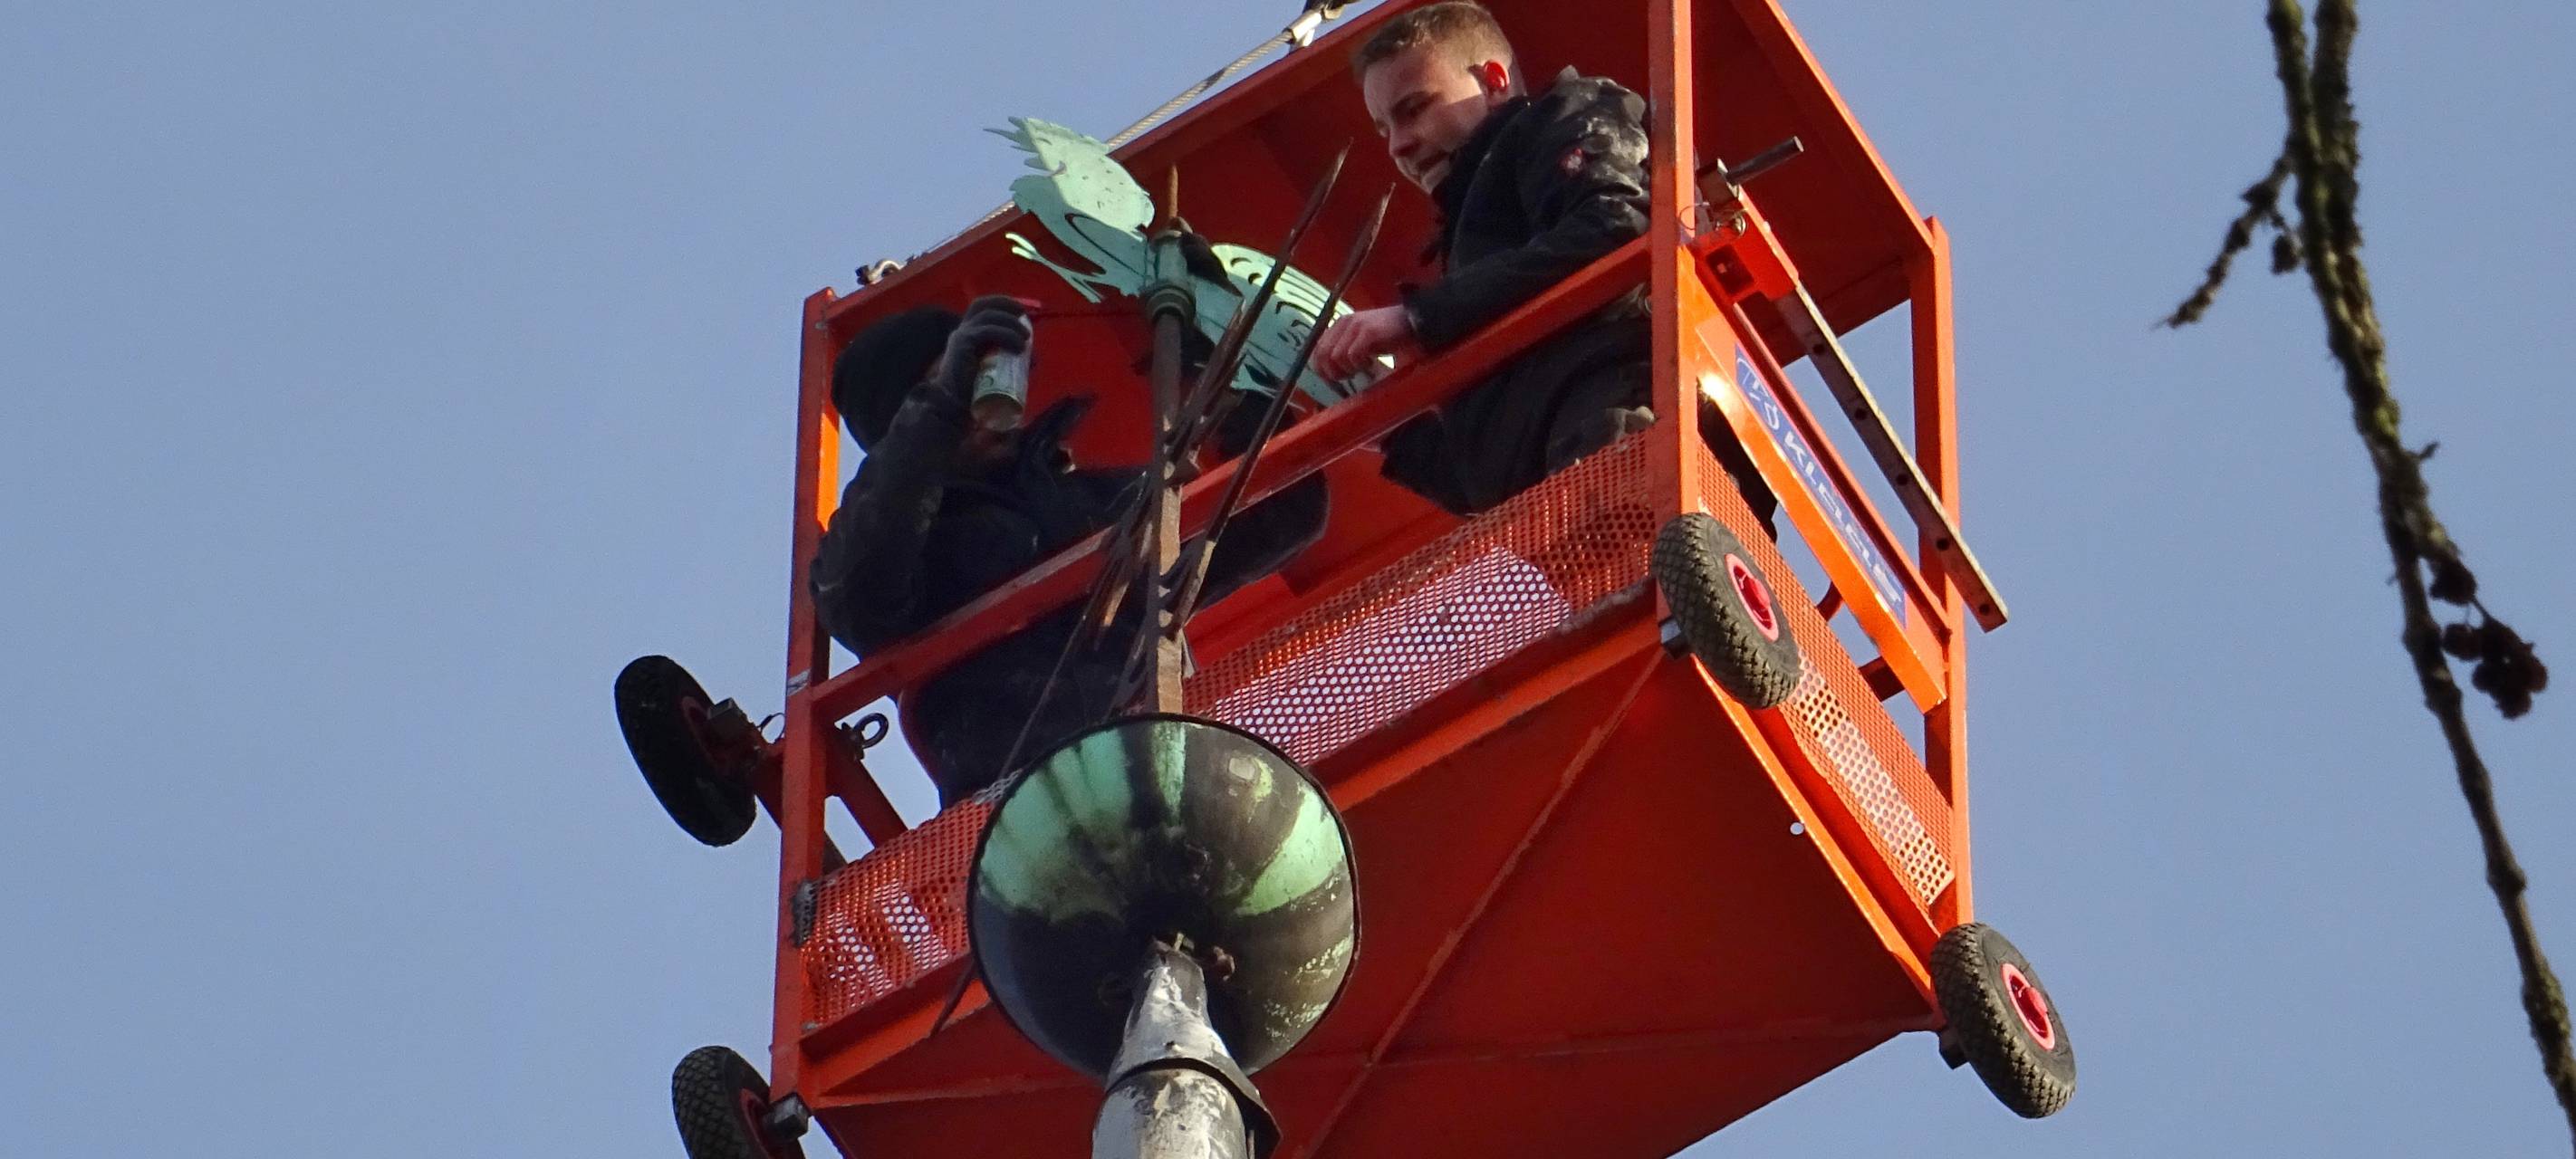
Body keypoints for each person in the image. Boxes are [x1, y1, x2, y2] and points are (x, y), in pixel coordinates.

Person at [811, 296, 1328, 807]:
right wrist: (940, 406)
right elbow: (859, 590)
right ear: (907, 422)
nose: (978, 407)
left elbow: (1283, 512)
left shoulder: (1091, 499)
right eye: (953, 385)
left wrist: (1223, 367)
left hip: (1173, 781)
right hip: (1022, 813)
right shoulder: (896, 546)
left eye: (982, 376)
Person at [1311, 1, 1773, 524]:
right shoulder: (1481, 261)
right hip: (1572, 514)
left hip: (1633, 441)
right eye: (1383, 130)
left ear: (1493, 81)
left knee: (1672, 584)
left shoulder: (1563, 117)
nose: (1400, 145)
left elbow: (1619, 224)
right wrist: (1394, 433)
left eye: (1414, 108)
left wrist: (1416, 318)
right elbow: (1487, 479)